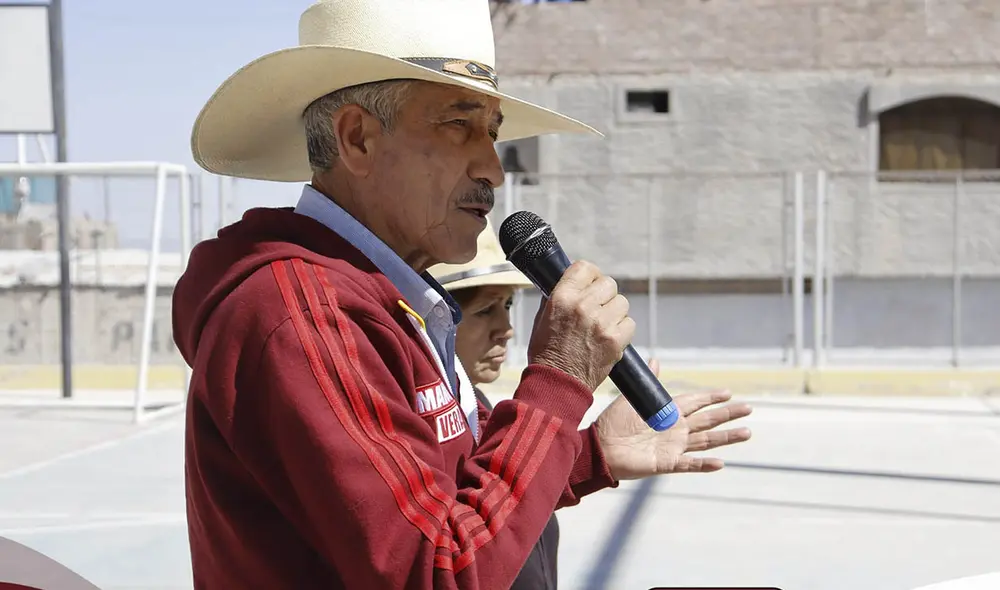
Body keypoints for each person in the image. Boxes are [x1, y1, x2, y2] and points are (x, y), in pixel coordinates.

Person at [172, 1, 753, 589]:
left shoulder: (389, 300)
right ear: (358, 140)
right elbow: (437, 573)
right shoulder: (304, 316)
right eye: (459, 125)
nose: (493, 169)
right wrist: (559, 378)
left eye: (494, 134)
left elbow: (456, 498)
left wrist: (589, 453)